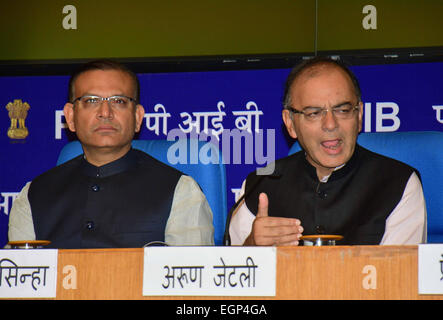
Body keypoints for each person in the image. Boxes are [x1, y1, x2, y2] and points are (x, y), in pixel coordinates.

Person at [7, 60, 214, 248]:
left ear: (137, 117)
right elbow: (18, 281)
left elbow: (190, 283)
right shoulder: (34, 195)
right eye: (91, 101)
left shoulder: (181, 192)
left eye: (119, 101)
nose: (105, 112)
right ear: (70, 117)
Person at [228, 56, 426, 246]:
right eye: (314, 113)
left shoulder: (398, 184)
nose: (331, 124)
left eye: (343, 110)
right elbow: (228, 271)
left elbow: (400, 275)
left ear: (359, 116)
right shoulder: (260, 184)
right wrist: (252, 245)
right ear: (290, 123)